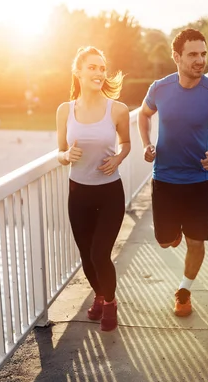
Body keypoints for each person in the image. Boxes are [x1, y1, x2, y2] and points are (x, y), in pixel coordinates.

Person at [137, 28, 208, 317]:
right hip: (165, 180)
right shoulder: (159, 88)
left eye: (203, 54)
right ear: (177, 57)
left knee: (196, 242)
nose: (200, 60)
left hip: (197, 182)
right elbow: (144, 114)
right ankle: (173, 234)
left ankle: (184, 291)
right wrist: (146, 144)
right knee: (165, 240)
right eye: (193, 54)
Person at [56, 46, 131, 332]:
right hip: (79, 194)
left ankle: (110, 302)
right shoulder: (65, 110)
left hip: (110, 192)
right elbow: (60, 152)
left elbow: (126, 143)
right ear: (78, 72)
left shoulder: (118, 109)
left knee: (100, 254)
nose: (99, 73)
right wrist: (66, 157)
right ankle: (99, 296)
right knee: (86, 255)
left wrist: (119, 157)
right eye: (92, 67)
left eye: (102, 68)